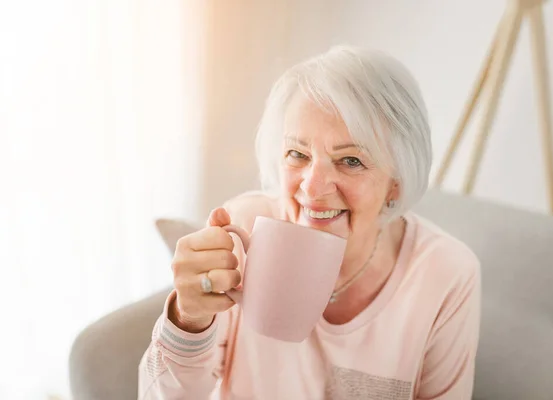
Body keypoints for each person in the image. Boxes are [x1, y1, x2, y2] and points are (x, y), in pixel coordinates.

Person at [138, 45, 481, 400]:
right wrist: (188, 319)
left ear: (396, 183)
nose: (313, 187)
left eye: (350, 161)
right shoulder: (244, 227)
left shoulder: (446, 274)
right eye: (297, 154)